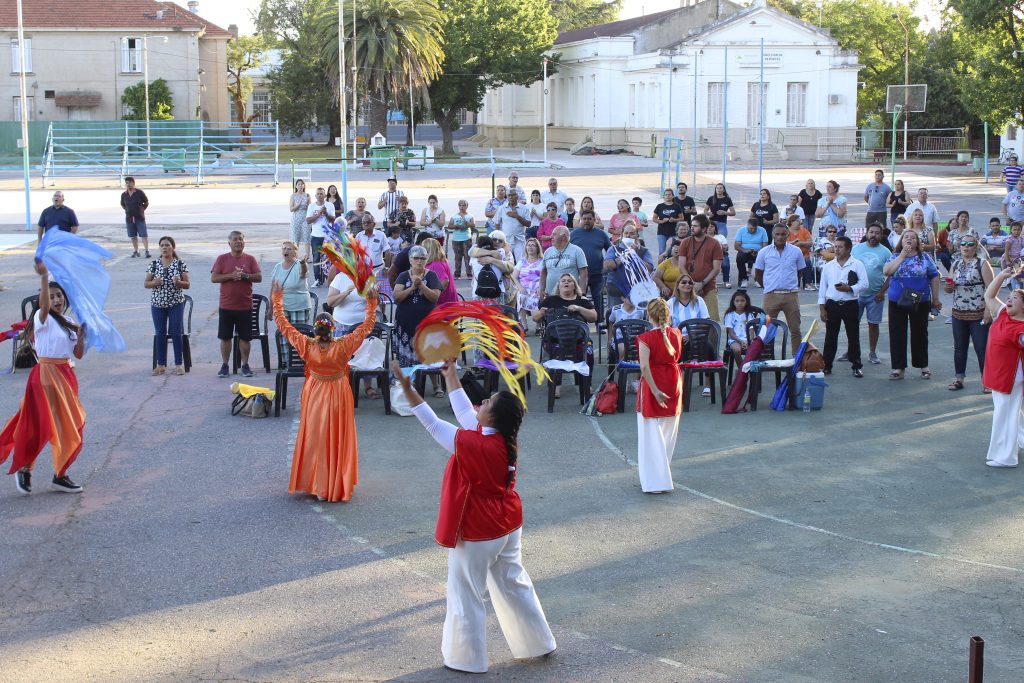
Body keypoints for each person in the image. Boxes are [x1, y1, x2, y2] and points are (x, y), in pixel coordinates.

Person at [393, 359, 557, 673]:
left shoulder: (476, 444)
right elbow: (465, 413)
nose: (482, 401)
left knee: (465, 591)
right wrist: (450, 375)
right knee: (513, 583)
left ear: (492, 416)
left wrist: (407, 388)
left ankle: (466, 659)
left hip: (480, 530)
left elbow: (433, 425)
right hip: (508, 523)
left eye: (488, 402)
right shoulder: (502, 438)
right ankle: (539, 642)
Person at [271, 280, 377, 501]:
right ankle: (333, 482)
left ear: (315, 329)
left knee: (316, 437)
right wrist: (371, 302)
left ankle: (316, 483)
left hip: (315, 392)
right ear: (333, 327)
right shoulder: (344, 345)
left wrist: (277, 299)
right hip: (338, 391)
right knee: (336, 437)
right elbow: (367, 325)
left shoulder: (306, 344)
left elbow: (283, 325)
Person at [1, 263, 87, 495]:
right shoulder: (43, 319)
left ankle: (60, 475)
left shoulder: (69, 323)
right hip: (45, 376)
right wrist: (44, 277)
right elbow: (46, 306)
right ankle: (25, 468)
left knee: (71, 425)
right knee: (39, 426)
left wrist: (80, 337)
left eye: (59, 295)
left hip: (65, 377)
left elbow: (77, 354)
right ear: (43, 301)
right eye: (51, 296)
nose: (56, 299)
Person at [635, 297, 683, 494]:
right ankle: (661, 476)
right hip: (672, 381)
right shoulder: (677, 333)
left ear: (649, 315)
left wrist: (654, 390)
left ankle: (655, 481)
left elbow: (644, 367)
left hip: (654, 384)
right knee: (668, 432)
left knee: (650, 434)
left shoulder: (645, 338)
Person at [882, 230, 941, 380]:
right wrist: (902, 256)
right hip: (897, 301)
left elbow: (934, 276)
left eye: (913, 237)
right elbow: (886, 271)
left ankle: (923, 366)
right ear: (901, 241)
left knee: (920, 333)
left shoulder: (924, 257)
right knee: (897, 334)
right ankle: (898, 367)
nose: (909, 239)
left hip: (920, 301)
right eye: (906, 237)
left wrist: (935, 298)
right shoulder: (895, 256)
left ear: (917, 242)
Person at [981, 264, 1024, 467]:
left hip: (1010, 376)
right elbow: (989, 295)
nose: (1009, 299)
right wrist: (1002, 276)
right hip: (998, 373)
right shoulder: (1003, 314)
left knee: (1005, 413)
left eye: (1015, 298)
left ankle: (1006, 457)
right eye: (1009, 297)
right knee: (1011, 410)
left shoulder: (1021, 328)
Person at [211, 231, 262, 378]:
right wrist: (230, 276)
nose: (238, 242)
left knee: (245, 338)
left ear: (244, 242)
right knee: (225, 337)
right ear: (229, 243)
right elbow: (214, 278)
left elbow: (259, 277)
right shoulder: (222, 259)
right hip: (226, 306)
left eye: (241, 239)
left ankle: (245, 365)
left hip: (245, 306)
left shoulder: (250, 259)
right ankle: (225, 365)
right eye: (235, 239)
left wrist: (245, 276)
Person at [946, 236, 993, 391]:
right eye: (963, 244)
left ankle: (987, 381)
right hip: (958, 313)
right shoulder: (956, 264)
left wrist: (988, 311)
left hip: (978, 314)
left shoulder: (982, 264)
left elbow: (991, 289)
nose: (966, 246)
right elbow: (949, 287)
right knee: (959, 348)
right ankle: (959, 379)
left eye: (970, 244)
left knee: (981, 347)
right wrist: (948, 287)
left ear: (976, 246)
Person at [817, 236, 868, 377]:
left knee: (853, 336)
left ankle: (856, 365)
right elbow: (823, 288)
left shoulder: (857, 264)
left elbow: (864, 283)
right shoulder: (828, 266)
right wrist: (822, 308)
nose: (837, 249)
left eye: (840, 247)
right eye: (835, 246)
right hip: (832, 304)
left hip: (850, 304)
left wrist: (850, 288)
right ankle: (827, 365)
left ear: (848, 249)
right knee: (830, 337)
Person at [393, 246, 443, 382]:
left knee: (429, 355)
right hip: (405, 323)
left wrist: (421, 285)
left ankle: (436, 386)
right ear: (410, 260)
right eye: (416, 258)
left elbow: (435, 297)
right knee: (405, 356)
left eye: (422, 258)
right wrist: (412, 287)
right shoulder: (403, 276)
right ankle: (408, 384)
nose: (419, 261)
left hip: (427, 324)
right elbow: (396, 298)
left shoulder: (431, 276)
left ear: (426, 260)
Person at [755, 224, 805, 354]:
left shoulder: (796, 251)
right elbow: (758, 273)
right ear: (772, 235)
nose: (780, 237)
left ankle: (796, 359)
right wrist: (767, 286)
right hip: (771, 295)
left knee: (795, 330)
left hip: (791, 295)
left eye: (783, 234)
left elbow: (800, 271)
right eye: (777, 234)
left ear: (788, 234)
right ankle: (766, 357)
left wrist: (791, 283)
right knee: (766, 330)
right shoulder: (764, 252)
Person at [145, 236, 190, 376]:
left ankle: (179, 364)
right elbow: (146, 283)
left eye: (167, 245)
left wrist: (179, 283)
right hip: (158, 304)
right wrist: (154, 283)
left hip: (175, 303)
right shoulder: (154, 264)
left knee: (176, 332)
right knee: (160, 333)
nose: (164, 248)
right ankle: (161, 365)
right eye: (162, 245)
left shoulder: (180, 264)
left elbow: (187, 284)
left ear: (173, 247)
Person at [851, 223, 892, 365]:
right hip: (856, 294)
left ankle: (872, 352)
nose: (874, 235)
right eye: (871, 232)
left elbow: (891, 274)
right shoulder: (856, 249)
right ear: (866, 233)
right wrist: (850, 289)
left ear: (881, 235)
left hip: (875, 295)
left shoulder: (886, 252)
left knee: (873, 325)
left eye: (877, 233)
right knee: (852, 324)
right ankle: (851, 351)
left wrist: (882, 291)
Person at [677, 214, 723, 321]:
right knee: (687, 319)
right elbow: (681, 266)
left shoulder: (715, 243)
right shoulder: (685, 242)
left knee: (712, 321)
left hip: (709, 287)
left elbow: (716, 269)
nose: (692, 228)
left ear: (704, 229)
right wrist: (692, 284)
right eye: (691, 225)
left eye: (695, 226)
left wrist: (702, 284)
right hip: (688, 288)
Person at [603, 222, 655, 311]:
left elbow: (649, 269)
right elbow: (607, 266)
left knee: (639, 316)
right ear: (622, 235)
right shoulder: (613, 249)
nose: (628, 235)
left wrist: (635, 255)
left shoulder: (644, 251)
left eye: (632, 233)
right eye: (626, 233)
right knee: (615, 315)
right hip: (616, 290)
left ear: (637, 236)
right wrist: (623, 257)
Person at [569, 209, 611, 314]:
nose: (586, 221)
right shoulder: (573, 234)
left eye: (589, 219)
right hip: (578, 274)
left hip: (597, 274)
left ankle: (599, 321)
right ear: (581, 219)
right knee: (579, 299)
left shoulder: (601, 234)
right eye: (584, 219)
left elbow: (610, 251)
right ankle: (580, 321)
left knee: (598, 299)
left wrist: (607, 264)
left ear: (594, 220)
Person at [270, 240, 312, 324]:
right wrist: (271, 308)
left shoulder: (300, 265)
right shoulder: (278, 267)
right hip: (282, 307)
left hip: (299, 306)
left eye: (289, 249)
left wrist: (303, 264)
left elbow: (303, 273)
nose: (286, 251)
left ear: (295, 252)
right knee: (284, 332)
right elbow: (273, 289)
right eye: (284, 248)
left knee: (298, 332)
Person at [540, 226, 588, 296]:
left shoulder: (577, 251)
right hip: (550, 295)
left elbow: (583, 274)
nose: (551, 237)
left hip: (570, 296)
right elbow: (543, 272)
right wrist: (542, 289)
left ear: (563, 237)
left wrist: (582, 293)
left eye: (554, 234)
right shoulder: (548, 251)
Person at [306, 187, 336, 287]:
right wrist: (318, 214)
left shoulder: (330, 205)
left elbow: (333, 220)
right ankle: (317, 279)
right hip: (315, 235)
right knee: (316, 258)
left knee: (329, 258)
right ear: (315, 196)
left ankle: (329, 278)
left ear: (325, 195)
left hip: (327, 236)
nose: (319, 195)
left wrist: (326, 213)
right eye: (318, 194)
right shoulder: (311, 206)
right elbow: (308, 220)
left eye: (321, 194)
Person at [514, 237, 545, 333]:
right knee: (521, 296)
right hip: (524, 288)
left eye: (533, 245)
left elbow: (546, 277)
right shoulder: (522, 261)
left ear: (537, 248)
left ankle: (538, 326)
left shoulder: (542, 261)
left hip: (537, 289)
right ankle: (524, 326)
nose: (530, 247)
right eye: (528, 245)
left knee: (537, 299)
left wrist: (541, 288)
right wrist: (520, 287)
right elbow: (514, 277)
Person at [723, 289, 759, 364]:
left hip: (748, 340)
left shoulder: (749, 315)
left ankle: (748, 368)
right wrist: (740, 341)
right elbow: (731, 334)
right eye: (737, 301)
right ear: (733, 302)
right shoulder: (729, 315)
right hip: (734, 340)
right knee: (737, 350)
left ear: (746, 302)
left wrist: (748, 342)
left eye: (742, 301)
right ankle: (742, 369)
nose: (740, 303)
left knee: (753, 350)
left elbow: (751, 333)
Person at [496, 190, 531, 263]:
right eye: (509, 195)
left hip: (519, 240)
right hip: (506, 240)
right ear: (507, 197)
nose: (511, 197)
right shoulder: (502, 208)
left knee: (521, 262)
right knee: (506, 262)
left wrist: (517, 216)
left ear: (517, 196)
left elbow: (528, 224)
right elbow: (497, 223)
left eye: (513, 195)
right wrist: (498, 238)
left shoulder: (524, 208)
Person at [734, 218, 769, 288]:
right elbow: (736, 246)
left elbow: (765, 246)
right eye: (751, 228)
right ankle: (744, 279)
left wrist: (758, 252)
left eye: (754, 228)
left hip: (759, 252)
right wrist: (746, 251)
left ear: (757, 226)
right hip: (744, 251)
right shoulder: (741, 230)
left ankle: (758, 279)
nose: (752, 230)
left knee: (765, 258)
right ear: (747, 225)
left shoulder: (762, 230)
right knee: (739, 258)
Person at [120, 176, 150, 258]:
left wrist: (141, 210)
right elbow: (122, 204)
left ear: (133, 183)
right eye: (126, 183)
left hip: (139, 217)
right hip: (129, 218)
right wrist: (127, 210)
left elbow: (146, 202)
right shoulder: (124, 194)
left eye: (130, 182)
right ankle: (136, 251)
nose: (128, 184)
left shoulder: (139, 192)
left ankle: (146, 251)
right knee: (133, 236)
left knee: (143, 235)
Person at [448, 200, 477, 280]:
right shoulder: (454, 216)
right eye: (460, 205)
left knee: (467, 256)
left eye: (463, 205)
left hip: (466, 238)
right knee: (457, 257)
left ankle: (469, 273)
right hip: (456, 239)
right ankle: (457, 274)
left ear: (467, 206)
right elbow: (449, 226)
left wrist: (466, 223)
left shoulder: (470, 216)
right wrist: (456, 226)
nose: (462, 207)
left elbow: (473, 225)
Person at [424, 237, 457, 306]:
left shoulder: (436, 264)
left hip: (443, 303)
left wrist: (434, 295)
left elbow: (444, 281)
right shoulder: (436, 262)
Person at [786, 214, 814, 291]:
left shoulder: (804, 231)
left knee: (807, 262)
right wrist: (794, 242)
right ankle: (794, 283)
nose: (800, 222)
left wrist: (801, 243)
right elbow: (784, 243)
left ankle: (807, 283)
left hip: (804, 255)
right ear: (792, 222)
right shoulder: (786, 231)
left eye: (800, 220)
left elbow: (810, 243)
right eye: (798, 221)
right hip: (790, 255)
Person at [289, 180, 312, 259]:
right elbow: (291, 209)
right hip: (296, 218)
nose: (300, 186)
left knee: (307, 237)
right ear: (296, 186)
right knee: (296, 238)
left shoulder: (307, 195)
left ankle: (307, 257)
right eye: (299, 184)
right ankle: (295, 257)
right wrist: (297, 205)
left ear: (304, 186)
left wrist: (308, 203)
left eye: (302, 184)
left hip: (305, 218)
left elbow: (310, 208)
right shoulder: (293, 196)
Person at [708, 222, 731, 289]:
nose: (709, 228)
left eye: (711, 226)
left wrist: (724, 247)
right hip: (707, 256)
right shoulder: (703, 237)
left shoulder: (720, 237)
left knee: (725, 264)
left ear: (715, 228)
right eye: (708, 226)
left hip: (720, 254)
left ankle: (726, 281)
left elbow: (726, 248)